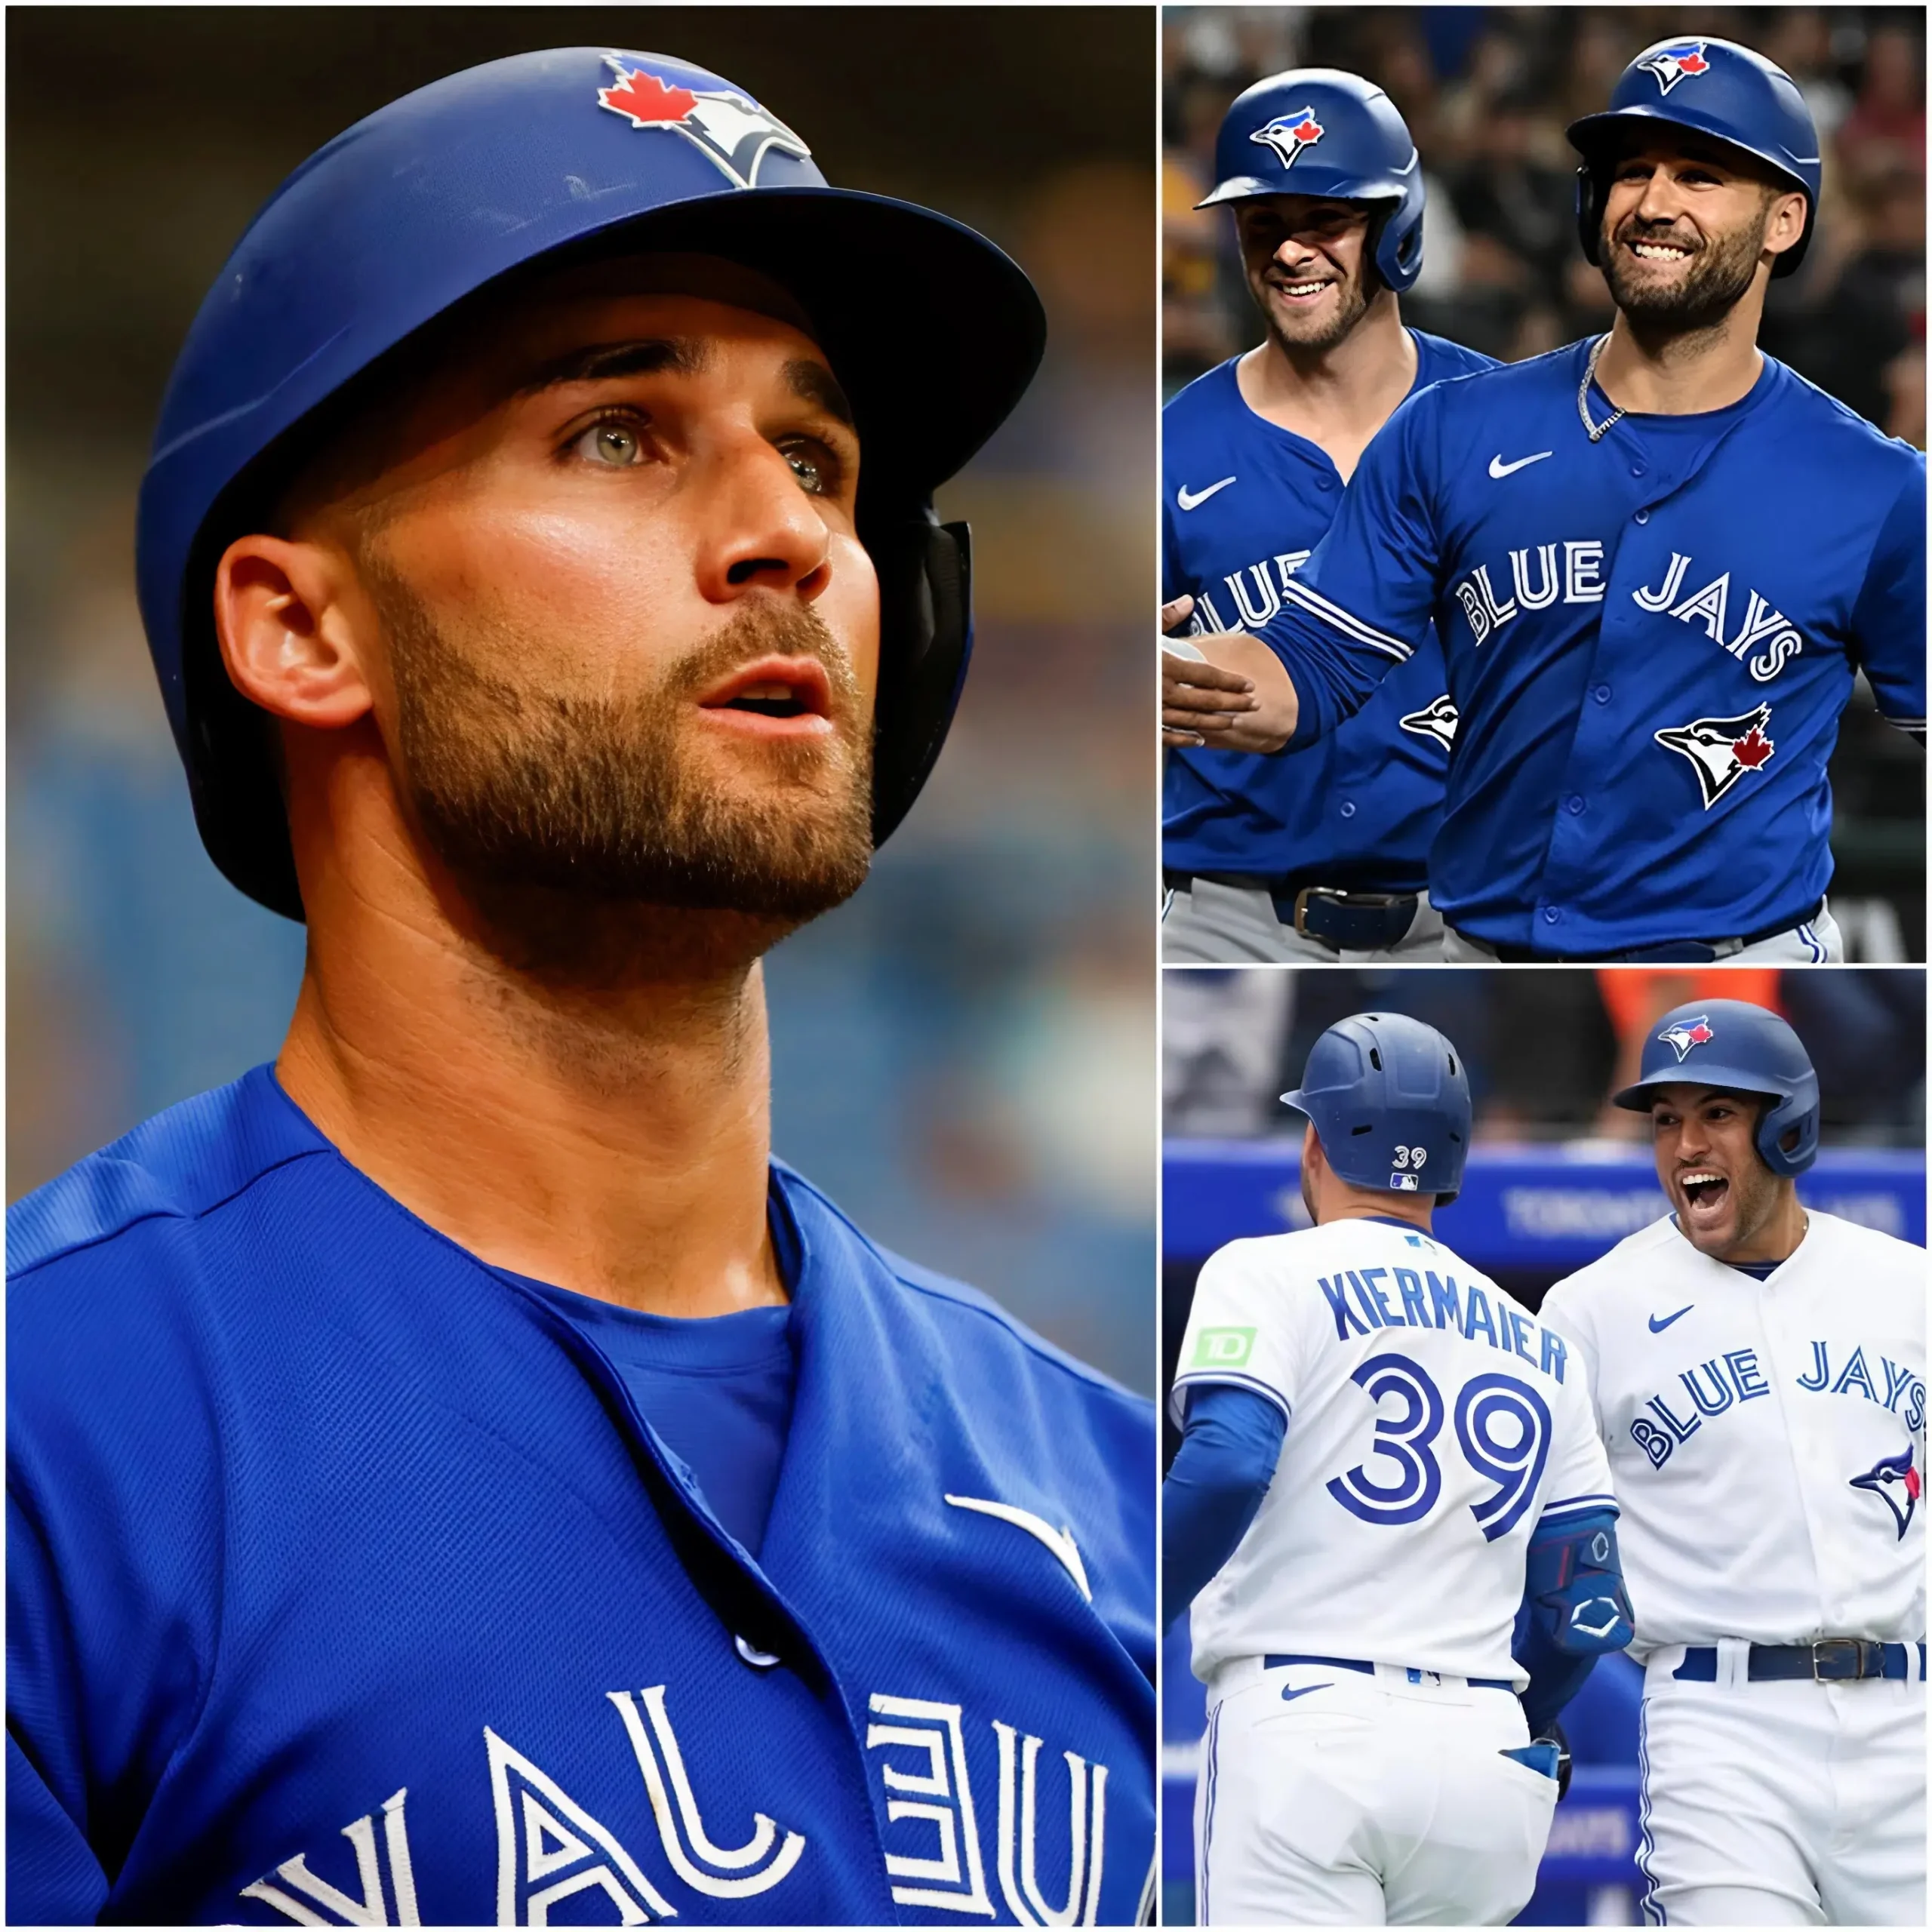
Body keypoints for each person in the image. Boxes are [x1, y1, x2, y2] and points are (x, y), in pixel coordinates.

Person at [6, 49, 1156, 1927]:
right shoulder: (52, 1438)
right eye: (618, 433)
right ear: (299, 625)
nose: (793, 533)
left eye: (819, 458)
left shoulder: (1112, 1495)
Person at [1161, 37, 1926, 964]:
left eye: (1698, 175)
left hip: (1739, 963)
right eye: (1631, 172)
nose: (1653, 202)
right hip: (1480, 965)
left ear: (1784, 220)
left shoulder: (1875, 487)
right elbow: (1307, 667)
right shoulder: (1450, 429)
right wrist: (1150, 668)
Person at [1165, 1012, 1632, 1924]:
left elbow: (1226, 1463)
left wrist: (1134, 1610)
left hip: (1306, 1723)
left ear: (1315, 1143)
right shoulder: (1543, 1344)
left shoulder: (1263, 1270)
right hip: (1484, 1758)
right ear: (1452, 1162)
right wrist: (1517, 1717)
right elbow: (1582, 1608)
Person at [1542, 998, 1924, 1925]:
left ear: (1790, 1127)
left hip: (1910, 1716)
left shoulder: (1907, 1284)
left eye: (1717, 1112)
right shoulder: (1590, 1308)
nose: (1685, 1146)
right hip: (1720, 1725)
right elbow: (1529, 1532)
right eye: (1665, 1120)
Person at [1160, 70, 1496, 965]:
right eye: (1262, 223)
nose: (1289, 251)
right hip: (1228, 920)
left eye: (1324, 221)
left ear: (1397, 226)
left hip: (1466, 914)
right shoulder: (1170, 448)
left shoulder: (1502, 423)